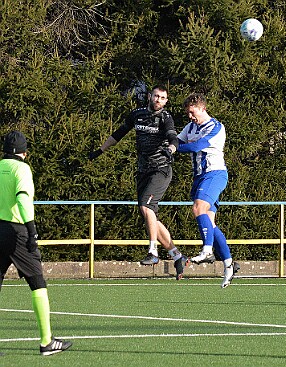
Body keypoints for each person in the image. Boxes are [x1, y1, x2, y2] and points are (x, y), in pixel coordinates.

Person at [89, 85, 188, 280]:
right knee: (149, 215)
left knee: (146, 206)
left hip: (161, 170)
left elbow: (173, 138)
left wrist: (171, 149)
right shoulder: (138, 114)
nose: (158, 99)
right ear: (150, 96)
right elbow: (118, 134)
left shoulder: (165, 117)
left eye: (163, 97)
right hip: (143, 170)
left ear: (166, 101)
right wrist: (100, 150)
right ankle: (177, 256)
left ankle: (153, 252)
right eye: (156, 96)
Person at [0, 131, 72, 356]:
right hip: (16, 231)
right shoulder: (21, 168)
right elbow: (22, 198)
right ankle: (46, 342)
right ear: (25, 153)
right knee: (37, 282)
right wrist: (32, 231)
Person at [177, 93, 239, 288]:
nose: (190, 116)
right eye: (187, 113)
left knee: (198, 209)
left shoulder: (216, 127)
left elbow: (197, 146)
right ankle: (229, 264)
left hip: (215, 174)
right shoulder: (190, 127)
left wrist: (172, 149)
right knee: (209, 224)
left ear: (202, 108)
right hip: (199, 178)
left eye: (192, 112)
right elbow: (178, 140)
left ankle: (207, 251)